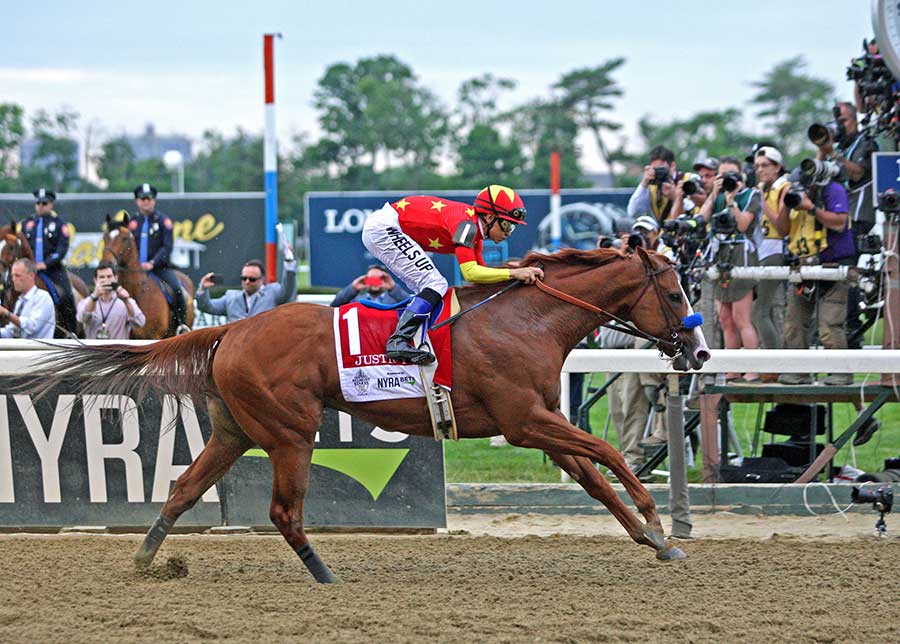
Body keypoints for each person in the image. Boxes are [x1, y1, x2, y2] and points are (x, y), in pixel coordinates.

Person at [361, 184, 543, 364]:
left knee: (428, 288)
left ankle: (418, 338)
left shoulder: (475, 233)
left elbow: (482, 276)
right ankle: (398, 341)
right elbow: (471, 273)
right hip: (383, 228)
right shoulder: (467, 226)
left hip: (385, 226)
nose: (508, 233)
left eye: (513, 227)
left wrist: (512, 272)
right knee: (435, 284)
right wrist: (513, 273)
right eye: (506, 224)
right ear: (489, 217)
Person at [770, 159, 854, 385]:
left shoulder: (833, 190)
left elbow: (839, 223)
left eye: (804, 187)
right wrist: (786, 204)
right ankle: (798, 371)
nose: (801, 192)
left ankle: (840, 373)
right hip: (803, 266)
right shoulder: (795, 199)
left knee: (828, 324)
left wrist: (812, 208)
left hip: (833, 266)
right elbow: (782, 230)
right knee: (794, 323)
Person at [700, 157, 762, 382]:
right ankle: (733, 367)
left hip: (741, 255)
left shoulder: (751, 195)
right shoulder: (715, 196)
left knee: (741, 317)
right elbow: (702, 219)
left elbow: (744, 224)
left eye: (731, 175)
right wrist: (714, 194)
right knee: (725, 318)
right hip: (719, 256)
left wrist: (732, 200)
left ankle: (753, 368)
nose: (727, 180)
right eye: (722, 175)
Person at [128, 183, 189, 333]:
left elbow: (167, 247)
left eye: (149, 198)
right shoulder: (132, 223)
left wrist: (152, 263)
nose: (146, 201)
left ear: (154, 200)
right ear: (137, 201)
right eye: (142, 199)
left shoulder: (164, 221)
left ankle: (181, 324)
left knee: (177, 289)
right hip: (135, 270)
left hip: (159, 268)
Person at [21, 188, 77, 334]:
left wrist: (45, 263)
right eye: (38, 203)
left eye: (44, 203)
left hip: (53, 269)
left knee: (67, 296)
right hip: (29, 270)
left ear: (51, 204)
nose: (40, 206)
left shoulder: (59, 225)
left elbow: (62, 248)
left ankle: (71, 332)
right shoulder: (27, 224)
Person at [752, 147, 789, 357]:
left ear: (777, 166)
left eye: (765, 165)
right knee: (761, 311)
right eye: (757, 166)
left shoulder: (784, 187)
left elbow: (781, 226)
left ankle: (774, 360)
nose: (760, 170)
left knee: (760, 311)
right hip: (759, 251)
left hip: (776, 249)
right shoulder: (762, 188)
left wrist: (762, 201)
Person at [196, 257, 297, 323]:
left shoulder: (273, 292)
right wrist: (202, 289)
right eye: (244, 278)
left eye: (252, 279)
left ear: (262, 279)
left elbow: (288, 290)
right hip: (236, 348)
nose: (247, 282)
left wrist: (289, 266)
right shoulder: (231, 297)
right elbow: (207, 307)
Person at [77, 261, 145, 339]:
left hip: (118, 350)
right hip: (94, 350)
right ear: (95, 280)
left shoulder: (128, 301)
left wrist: (126, 302)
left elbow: (140, 323)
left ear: (116, 278)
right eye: (102, 277)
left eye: (109, 276)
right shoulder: (86, 302)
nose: (106, 280)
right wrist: (94, 297)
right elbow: (82, 318)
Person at [0, 258, 55, 339]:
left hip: (39, 351)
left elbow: (32, 327)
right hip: (25, 350)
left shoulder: (43, 297)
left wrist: (6, 313)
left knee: (67, 296)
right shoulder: (20, 301)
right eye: (12, 275)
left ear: (31, 276)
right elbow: (12, 331)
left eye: (17, 275)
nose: (13, 279)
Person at [627, 145, 679, 224]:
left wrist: (676, 197)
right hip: (660, 232)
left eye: (661, 169)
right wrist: (644, 183)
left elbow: (695, 210)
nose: (658, 173)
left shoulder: (685, 180)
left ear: (672, 166)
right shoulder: (652, 187)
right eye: (655, 169)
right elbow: (633, 212)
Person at [331, 265, 410, 307]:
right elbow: (335, 305)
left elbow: (412, 305)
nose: (375, 283)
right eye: (371, 279)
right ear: (365, 280)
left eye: (379, 279)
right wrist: (353, 288)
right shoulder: (355, 300)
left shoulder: (395, 301)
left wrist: (393, 288)